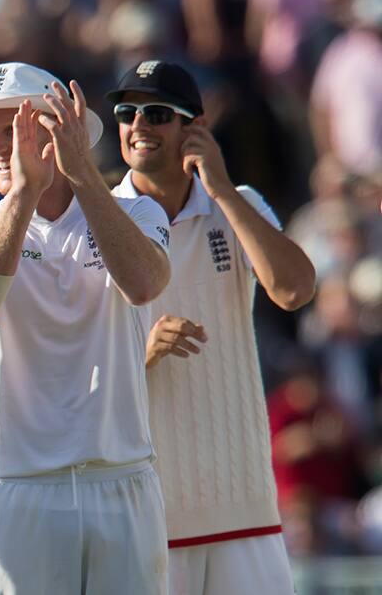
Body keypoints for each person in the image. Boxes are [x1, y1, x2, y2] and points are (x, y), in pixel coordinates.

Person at [0, 62, 172, 594]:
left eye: (12, 128)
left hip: (123, 479)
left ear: (60, 131)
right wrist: (21, 194)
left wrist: (83, 174)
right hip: (18, 486)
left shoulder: (137, 211)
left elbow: (144, 285)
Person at [107, 60, 316, 595]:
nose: (138, 126)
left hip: (244, 506)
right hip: (147, 511)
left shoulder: (239, 204)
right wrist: (143, 351)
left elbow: (293, 290)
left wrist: (220, 188)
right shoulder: (97, 218)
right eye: (127, 113)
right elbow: (72, 362)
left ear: (193, 127)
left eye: (156, 113)